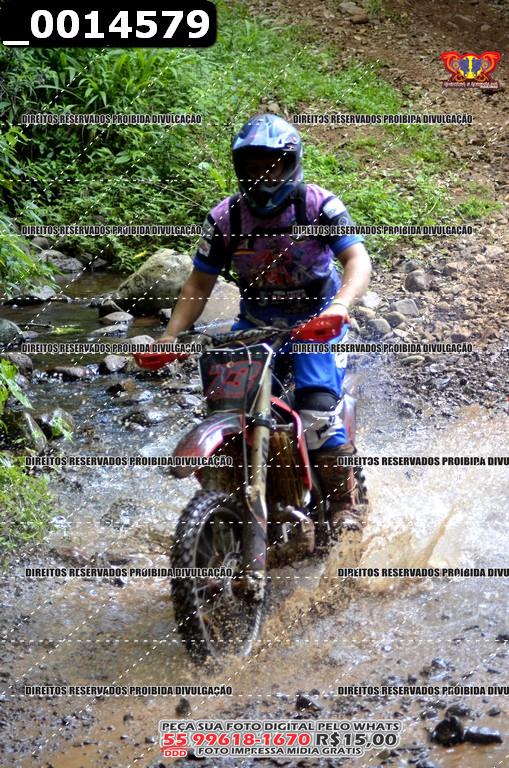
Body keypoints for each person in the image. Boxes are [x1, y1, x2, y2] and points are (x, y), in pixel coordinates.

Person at [160, 114, 372, 527]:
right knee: (229, 409)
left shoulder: (318, 205)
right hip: (255, 327)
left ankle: (344, 506)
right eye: (254, 167)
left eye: (273, 165)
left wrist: (340, 306)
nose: (264, 176)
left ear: (292, 163)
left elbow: (357, 259)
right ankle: (233, 505)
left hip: (316, 324)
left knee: (317, 411)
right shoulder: (226, 218)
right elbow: (199, 283)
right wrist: (170, 335)